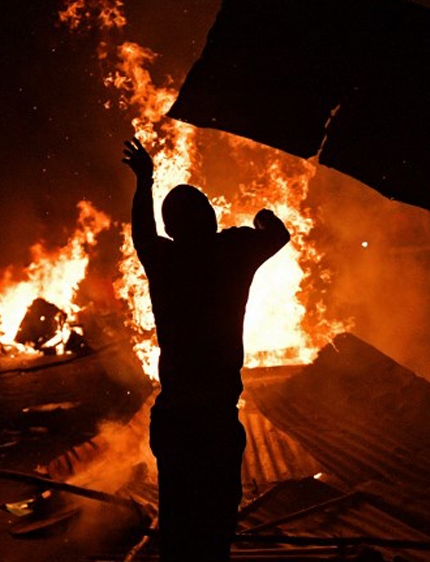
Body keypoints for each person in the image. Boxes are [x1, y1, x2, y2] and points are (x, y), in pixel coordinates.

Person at [121, 138, 290, 560]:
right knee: (215, 525)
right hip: (215, 419)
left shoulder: (163, 260)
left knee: (179, 522)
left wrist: (145, 181)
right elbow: (278, 234)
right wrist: (264, 216)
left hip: (177, 418)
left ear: (172, 228)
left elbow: (142, 232)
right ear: (209, 218)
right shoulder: (233, 251)